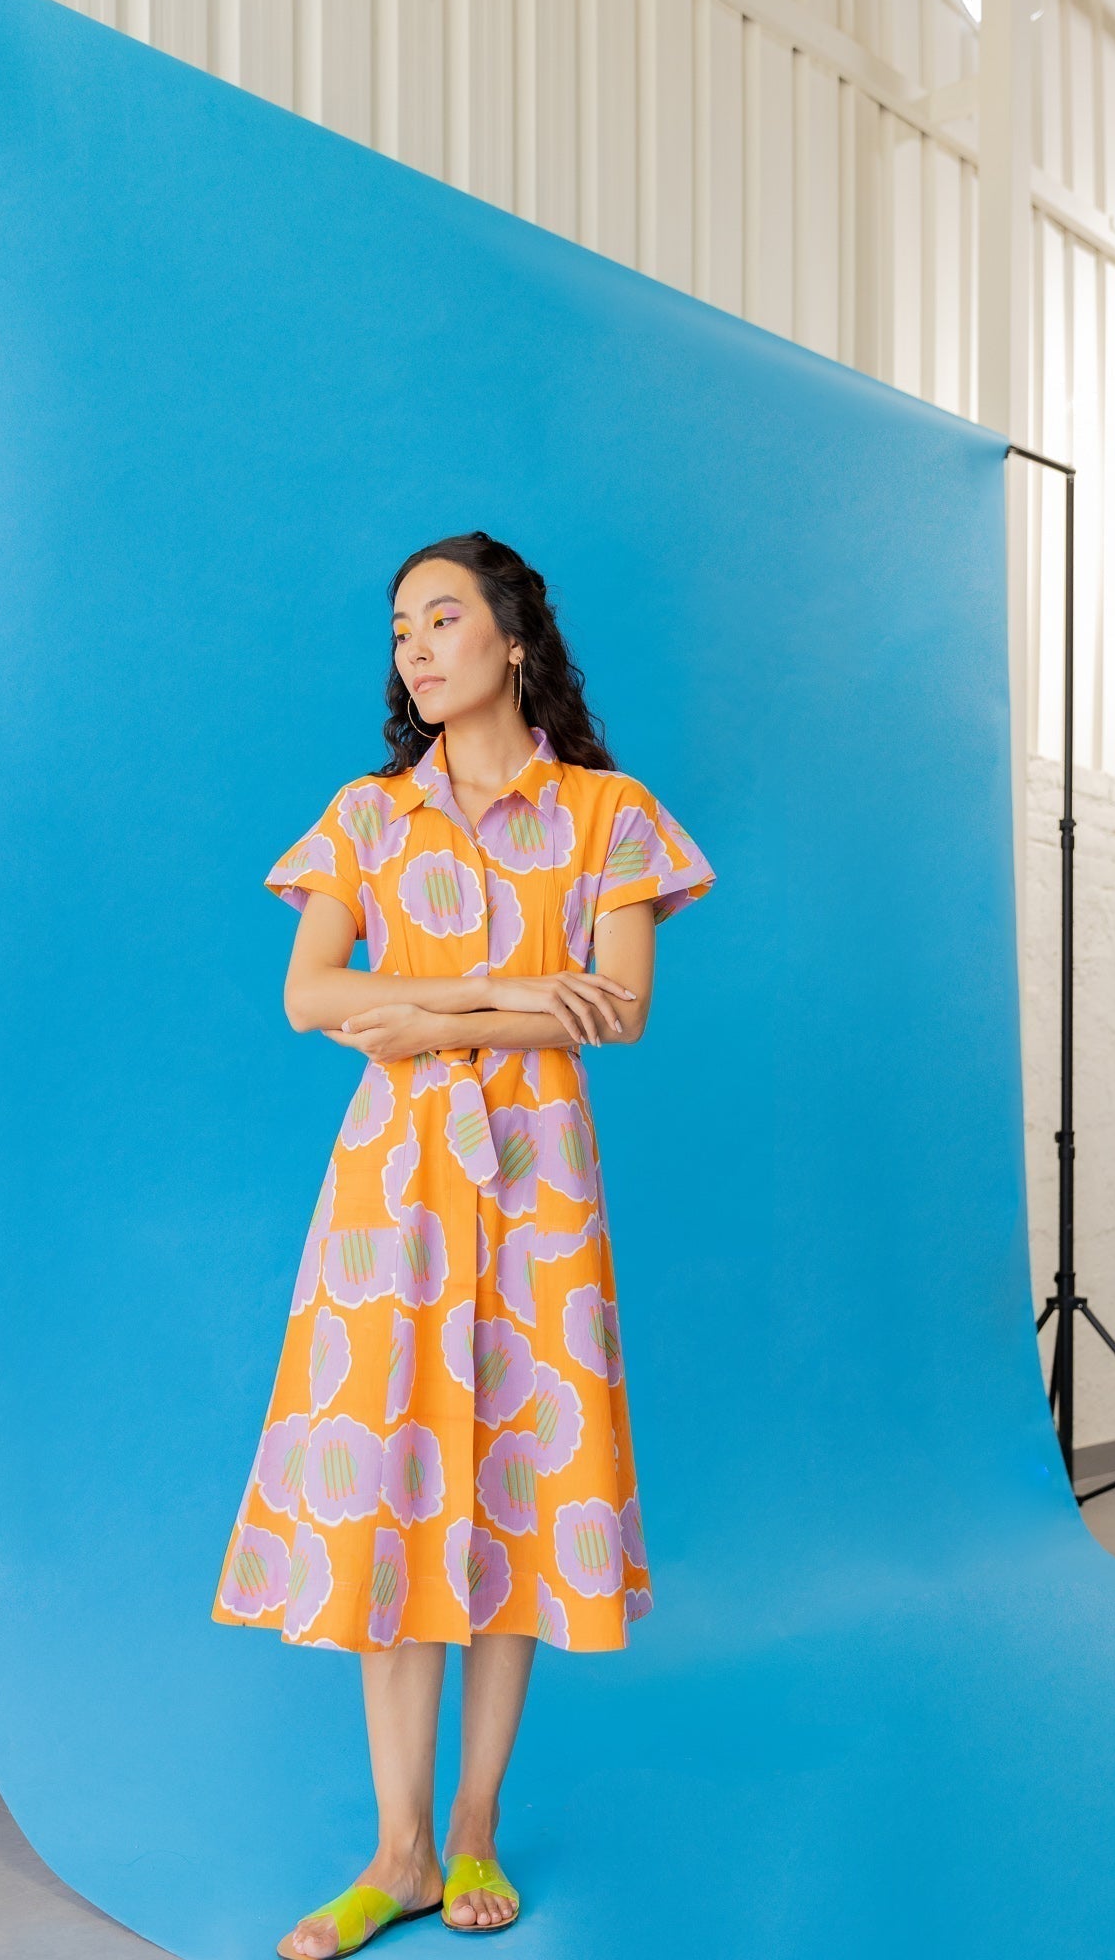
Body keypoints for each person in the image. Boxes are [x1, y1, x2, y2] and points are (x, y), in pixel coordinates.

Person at [211, 530, 716, 1957]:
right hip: (393, 1194)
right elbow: (310, 997)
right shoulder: (366, 817)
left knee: (514, 1486)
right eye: (399, 629)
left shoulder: (611, 813)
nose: (415, 648)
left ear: (514, 638)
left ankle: (476, 1823)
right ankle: (400, 1848)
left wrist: (418, 1011)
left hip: (539, 1185)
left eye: (441, 619)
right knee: (388, 1484)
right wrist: (514, 993)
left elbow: (621, 1009)